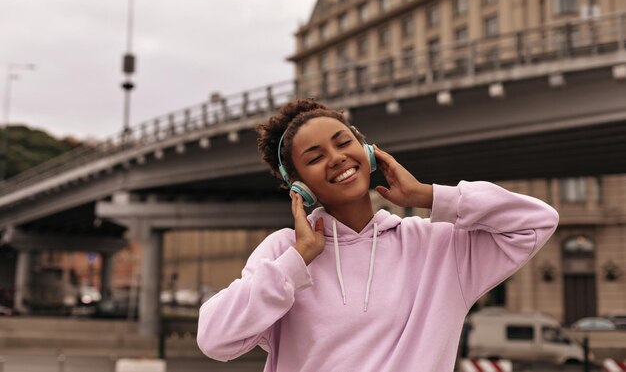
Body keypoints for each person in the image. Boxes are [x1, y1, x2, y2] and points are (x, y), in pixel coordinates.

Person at [197, 99, 560, 372]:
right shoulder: (286, 251)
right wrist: (296, 260)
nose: (337, 158)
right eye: (315, 157)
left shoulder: (437, 245)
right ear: (299, 185)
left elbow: (537, 221)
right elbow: (215, 340)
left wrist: (429, 196)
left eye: (343, 143)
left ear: (369, 152)